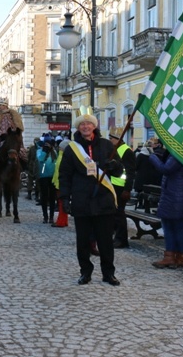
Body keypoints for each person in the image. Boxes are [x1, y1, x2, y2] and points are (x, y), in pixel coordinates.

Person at [58, 111, 123, 286]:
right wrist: (65, 197)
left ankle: (108, 273)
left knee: (105, 241)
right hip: (82, 199)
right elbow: (65, 175)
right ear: (78, 128)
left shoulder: (107, 145)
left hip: (103, 199)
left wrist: (114, 165)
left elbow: (119, 171)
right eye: (82, 125)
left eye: (89, 124)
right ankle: (85, 272)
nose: (85, 127)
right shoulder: (72, 149)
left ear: (94, 126)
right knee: (83, 241)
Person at [148, 151, 183, 268]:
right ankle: (180, 257)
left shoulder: (179, 152)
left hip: (174, 194)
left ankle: (170, 257)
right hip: (179, 193)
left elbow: (166, 169)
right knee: (179, 226)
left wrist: (153, 157)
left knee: (169, 225)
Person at [0, 97, 27, 180]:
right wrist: (0, 135)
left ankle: (23, 172)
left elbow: (16, 127)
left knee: (22, 153)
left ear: (6, 106)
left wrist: (13, 134)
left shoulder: (14, 115)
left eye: (1, 105)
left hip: (11, 139)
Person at [108, 127, 136, 249]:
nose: (109, 141)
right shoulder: (114, 150)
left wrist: (127, 189)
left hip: (121, 187)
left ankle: (122, 239)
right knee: (114, 213)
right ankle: (116, 237)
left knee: (119, 214)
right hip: (113, 184)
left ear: (117, 139)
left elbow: (130, 172)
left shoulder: (126, 151)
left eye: (111, 139)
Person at [36, 134, 56, 224]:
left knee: (52, 197)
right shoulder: (40, 151)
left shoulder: (54, 152)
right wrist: (45, 151)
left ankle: (51, 216)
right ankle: (45, 216)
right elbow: (40, 159)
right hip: (43, 176)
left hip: (52, 176)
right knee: (44, 197)